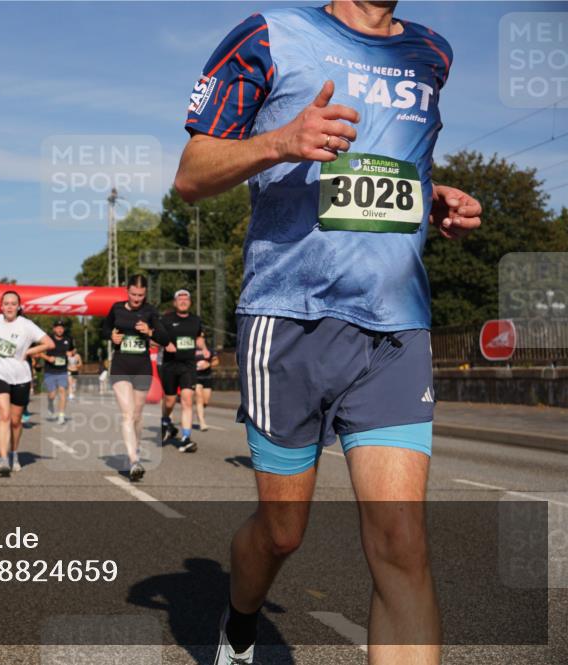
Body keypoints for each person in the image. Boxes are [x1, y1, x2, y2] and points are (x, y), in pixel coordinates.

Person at [174, 3, 482, 663]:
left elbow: (387, 162)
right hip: (289, 320)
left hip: (394, 325)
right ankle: (239, 624)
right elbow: (191, 174)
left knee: (402, 542)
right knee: (283, 531)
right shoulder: (270, 36)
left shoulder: (432, 55)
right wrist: (280, 141)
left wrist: (431, 197)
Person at [0, 291, 54, 477]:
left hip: (21, 376)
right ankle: (3, 459)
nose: (9, 307)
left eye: (13, 304)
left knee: (16, 421)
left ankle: (14, 453)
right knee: (4, 415)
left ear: (18, 307)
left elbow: (49, 343)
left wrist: (29, 351)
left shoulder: (27, 325)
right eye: (6, 303)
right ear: (1, 306)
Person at [100, 275, 169, 481]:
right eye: (133, 294)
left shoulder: (150, 311)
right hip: (121, 365)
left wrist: (150, 331)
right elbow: (104, 329)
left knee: (138, 415)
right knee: (127, 414)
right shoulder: (117, 308)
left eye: (140, 295)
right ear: (126, 291)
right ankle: (133, 461)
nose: (137, 298)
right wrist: (111, 336)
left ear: (145, 293)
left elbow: (165, 339)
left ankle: (135, 451)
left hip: (142, 366)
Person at [158, 289, 210, 453]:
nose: (183, 302)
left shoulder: (195, 320)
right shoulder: (166, 320)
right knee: (170, 401)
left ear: (190, 302)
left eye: (186, 299)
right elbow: (157, 336)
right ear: (174, 303)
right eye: (180, 300)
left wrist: (205, 349)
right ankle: (166, 420)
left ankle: (186, 437)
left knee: (187, 400)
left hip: (188, 365)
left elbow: (199, 337)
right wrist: (166, 344)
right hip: (170, 365)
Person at [40, 319, 75, 425]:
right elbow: (39, 352)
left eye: (62, 328)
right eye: (58, 327)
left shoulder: (68, 339)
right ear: (54, 329)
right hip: (50, 371)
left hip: (62, 371)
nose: (60, 329)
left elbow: (73, 350)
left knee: (62, 391)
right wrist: (47, 358)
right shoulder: (48, 339)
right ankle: (50, 403)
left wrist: (71, 353)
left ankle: (61, 416)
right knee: (52, 394)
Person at [194, 345, 221, 432]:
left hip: (207, 377)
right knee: (199, 399)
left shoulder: (210, 349)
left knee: (205, 401)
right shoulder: (192, 348)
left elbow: (216, 361)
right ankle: (202, 422)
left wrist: (208, 364)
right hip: (195, 377)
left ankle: (200, 411)